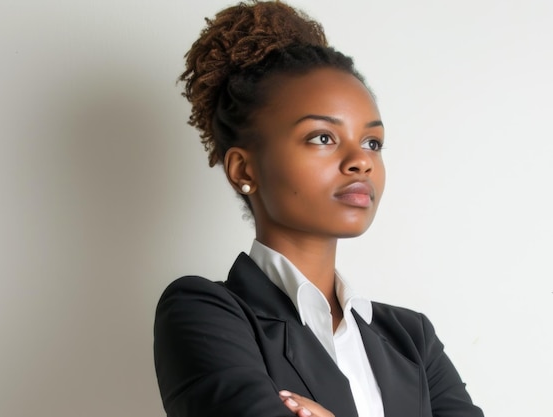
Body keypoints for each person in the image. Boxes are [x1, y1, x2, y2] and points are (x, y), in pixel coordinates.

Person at [154, 1, 484, 416]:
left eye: (372, 143)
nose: (361, 160)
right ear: (243, 168)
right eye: (322, 138)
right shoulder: (205, 314)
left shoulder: (411, 338)